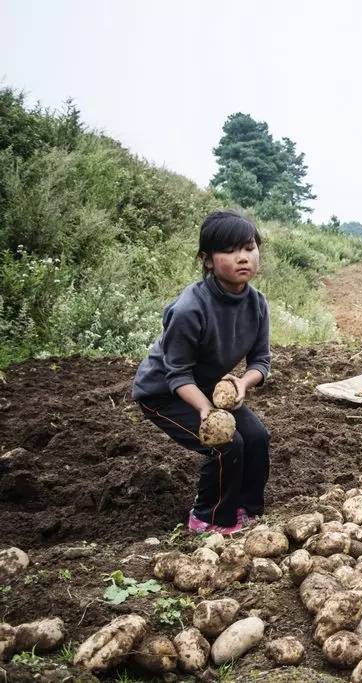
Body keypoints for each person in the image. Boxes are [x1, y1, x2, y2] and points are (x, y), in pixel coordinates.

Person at [133, 210, 271, 535]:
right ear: (208, 260)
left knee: (256, 437)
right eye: (230, 250)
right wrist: (206, 410)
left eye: (249, 248)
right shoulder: (189, 309)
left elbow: (261, 361)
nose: (242, 258)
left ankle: (247, 509)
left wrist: (243, 382)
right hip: (162, 392)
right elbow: (177, 374)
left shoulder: (257, 304)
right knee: (225, 443)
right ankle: (208, 518)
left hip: (205, 385)